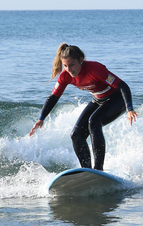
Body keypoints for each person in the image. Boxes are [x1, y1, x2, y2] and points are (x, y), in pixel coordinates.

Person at [29, 43, 137, 171]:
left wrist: (129, 109)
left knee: (94, 121)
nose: (69, 69)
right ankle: (87, 171)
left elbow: (123, 86)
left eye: (72, 64)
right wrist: (41, 118)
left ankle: (98, 169)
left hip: (117, 99)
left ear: (81, 60)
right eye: (65, 65)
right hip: (98, 99)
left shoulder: (96, 69)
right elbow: (53, 97)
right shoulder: (65, 76)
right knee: (76, 134)